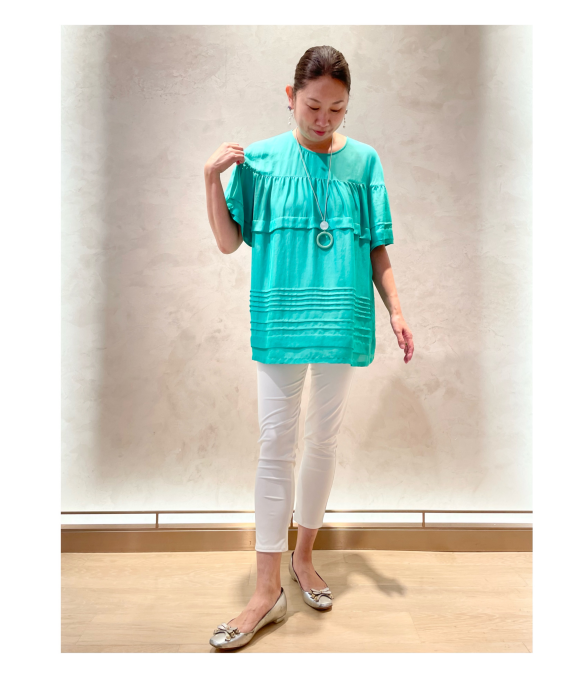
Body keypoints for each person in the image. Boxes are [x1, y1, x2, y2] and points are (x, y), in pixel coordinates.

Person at [203, 45, 414, 650]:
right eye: (313, 106)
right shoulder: (260, 160)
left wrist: (397, 310)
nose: (324, 119)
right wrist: (209, 178)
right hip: (281, 317)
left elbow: (375, 246)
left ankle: (304, 558)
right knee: (276, 444)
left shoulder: (365, 161)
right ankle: (264, 591)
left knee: (323, 440)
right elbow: (227, 242)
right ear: (290, 96)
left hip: (342, 316)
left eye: (337, 109)